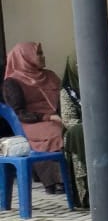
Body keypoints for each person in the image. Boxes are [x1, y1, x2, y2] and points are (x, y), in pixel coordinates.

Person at [2, 42, 66, 192]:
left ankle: (75, 179)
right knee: (57, 134)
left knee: (76, 130)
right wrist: (48, 117)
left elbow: (64, 97)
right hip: (30, 122)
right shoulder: (12, 82)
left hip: (57, 118)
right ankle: (56, 180)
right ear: (25, 57)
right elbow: (19, 113)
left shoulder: (49, 76)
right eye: (38, 53)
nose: (43, 57)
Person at [58, 56, 89, 205]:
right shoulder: (67, 91)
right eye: (77, 64)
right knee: (78, 133)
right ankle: (86, 194)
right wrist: (92, 128)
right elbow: (69, 120)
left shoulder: (101, 83)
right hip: (79, 131)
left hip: (104, 129)